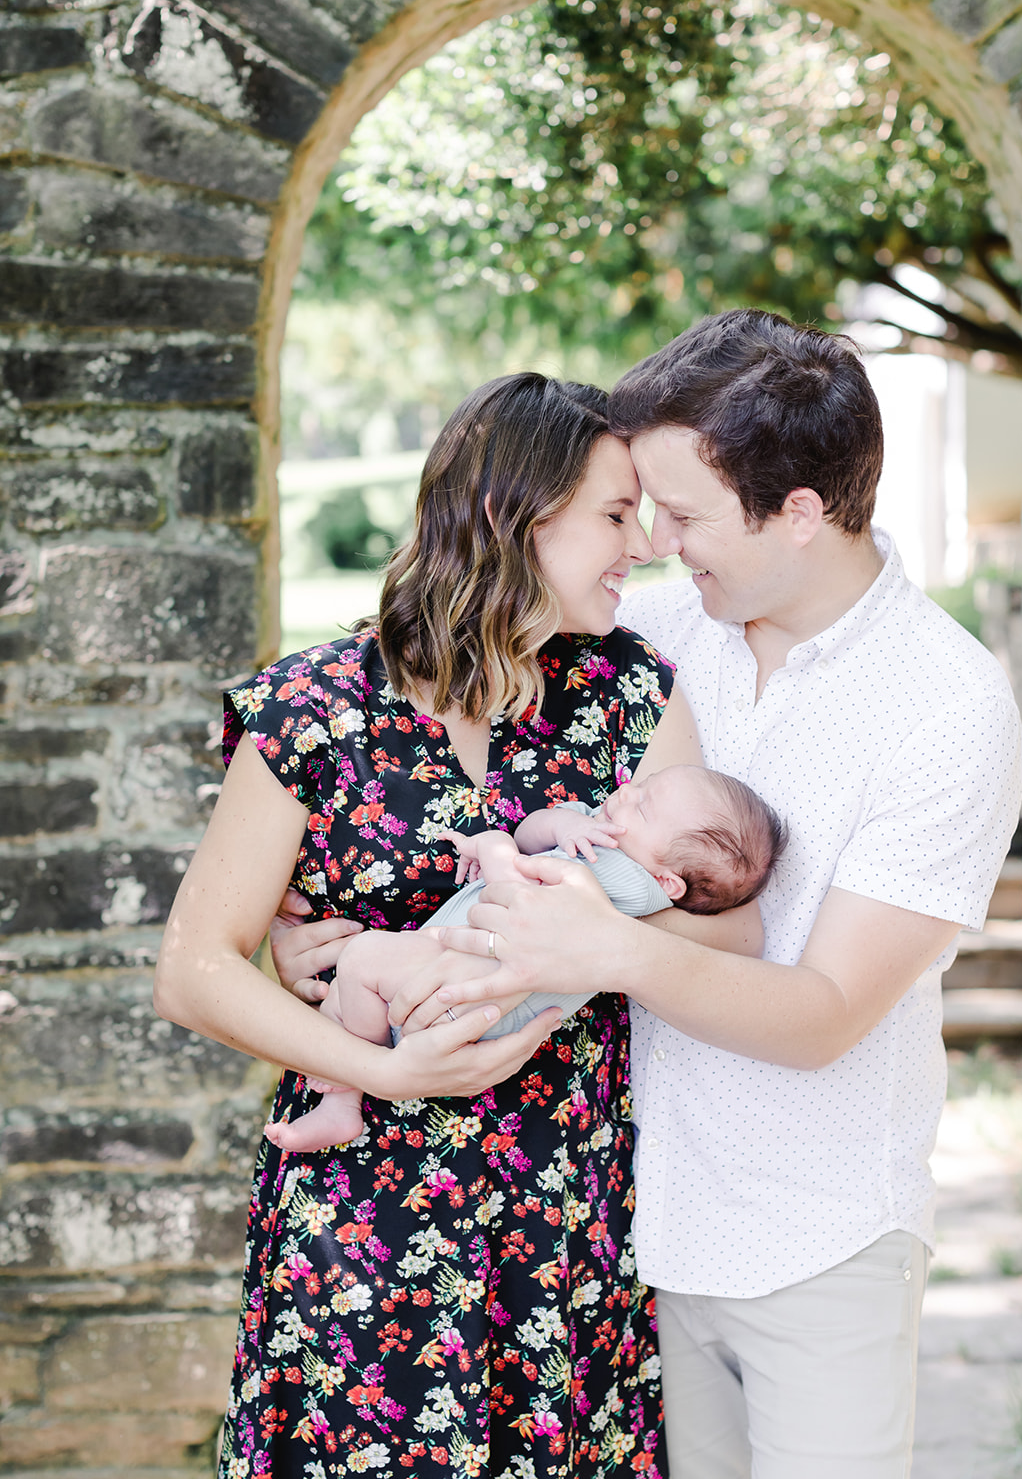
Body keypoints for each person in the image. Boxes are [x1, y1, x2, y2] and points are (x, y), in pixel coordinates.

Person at [394, 312, 1022, 1479]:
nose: (653, 542)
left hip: (820, 1239)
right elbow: (450, 664)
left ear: (798, 513)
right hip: (638, 1225)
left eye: (681, 517)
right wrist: (321, 887)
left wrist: (605, 951)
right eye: (642, 511)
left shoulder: (949, 705)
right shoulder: (660, 626)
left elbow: (829, 1009)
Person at [154, 371, 761, 1479]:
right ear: (509, 514)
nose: (644, 546)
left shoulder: (631, 693)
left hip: (567, 1220)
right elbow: (194, 969)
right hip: (366, 1220)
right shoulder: (316, 708)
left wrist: (601, 939)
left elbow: (732, 933)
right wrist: (376, 1071)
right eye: (615, 517)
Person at [266, 766, 786, 1152]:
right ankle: (342, 1100)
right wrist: (559, 826)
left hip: (475, 997)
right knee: (352, 984)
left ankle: (343, 1098)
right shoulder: (601, 837)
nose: (626, 793)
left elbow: (523, 905)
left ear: (667, 881)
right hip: (452, 978)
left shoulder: (632, 881)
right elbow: (529, 833)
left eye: (643, 807)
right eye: (639, 787)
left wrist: (493, 851)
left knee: (360, 958)